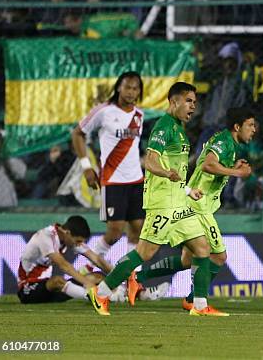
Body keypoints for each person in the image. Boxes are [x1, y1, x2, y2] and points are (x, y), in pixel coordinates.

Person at [87, 82, 226, 317]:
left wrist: (186, 190)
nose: (193, 106)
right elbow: (151, 160)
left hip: (179, 204)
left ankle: (200, 306)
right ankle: (101, 292)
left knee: (202, 249)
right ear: (174, 102)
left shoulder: (178, 129)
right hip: (162, 204)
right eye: (189, 101)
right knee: (144, 253)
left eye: (195, 101)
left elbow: (176, 169)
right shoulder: (164, 128)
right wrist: (165, 173)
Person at [126, 107, 256, 310]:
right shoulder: (224, 142)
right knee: (219, 256)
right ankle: (195, 300)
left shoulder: (227, 142)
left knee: (187, 260)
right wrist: (237, 173)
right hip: (199, 206)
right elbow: (208, 166)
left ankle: (139, 276)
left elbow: (211, 163)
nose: (254, 129)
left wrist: (233, 166)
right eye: (250, 125)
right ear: (237, 126)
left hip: (197, 203)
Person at [72, 72, 146, 268]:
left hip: (136, 180)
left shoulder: (139, 115)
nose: (131, 92)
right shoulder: (103, 111)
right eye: (127, 87)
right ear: (118, 88)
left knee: (138, 229)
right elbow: (77, 133)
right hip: (113, 180)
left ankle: (133, 277)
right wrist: (87, 168)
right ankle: (88, 266)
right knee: (114, 231)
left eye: (135, 88)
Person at [17, 215, 113, 304]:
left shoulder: (68, 238)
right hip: (28, 290)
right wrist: (88, 283)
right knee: (57, 281)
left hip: (50, 290)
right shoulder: (46, 236)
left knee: (97, 276)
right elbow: (64, 265)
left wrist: (120, 278)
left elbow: (96, 259)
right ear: (67, 233)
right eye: (78, 241)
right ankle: (95, 298)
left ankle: (113, 296)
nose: (79, 244)